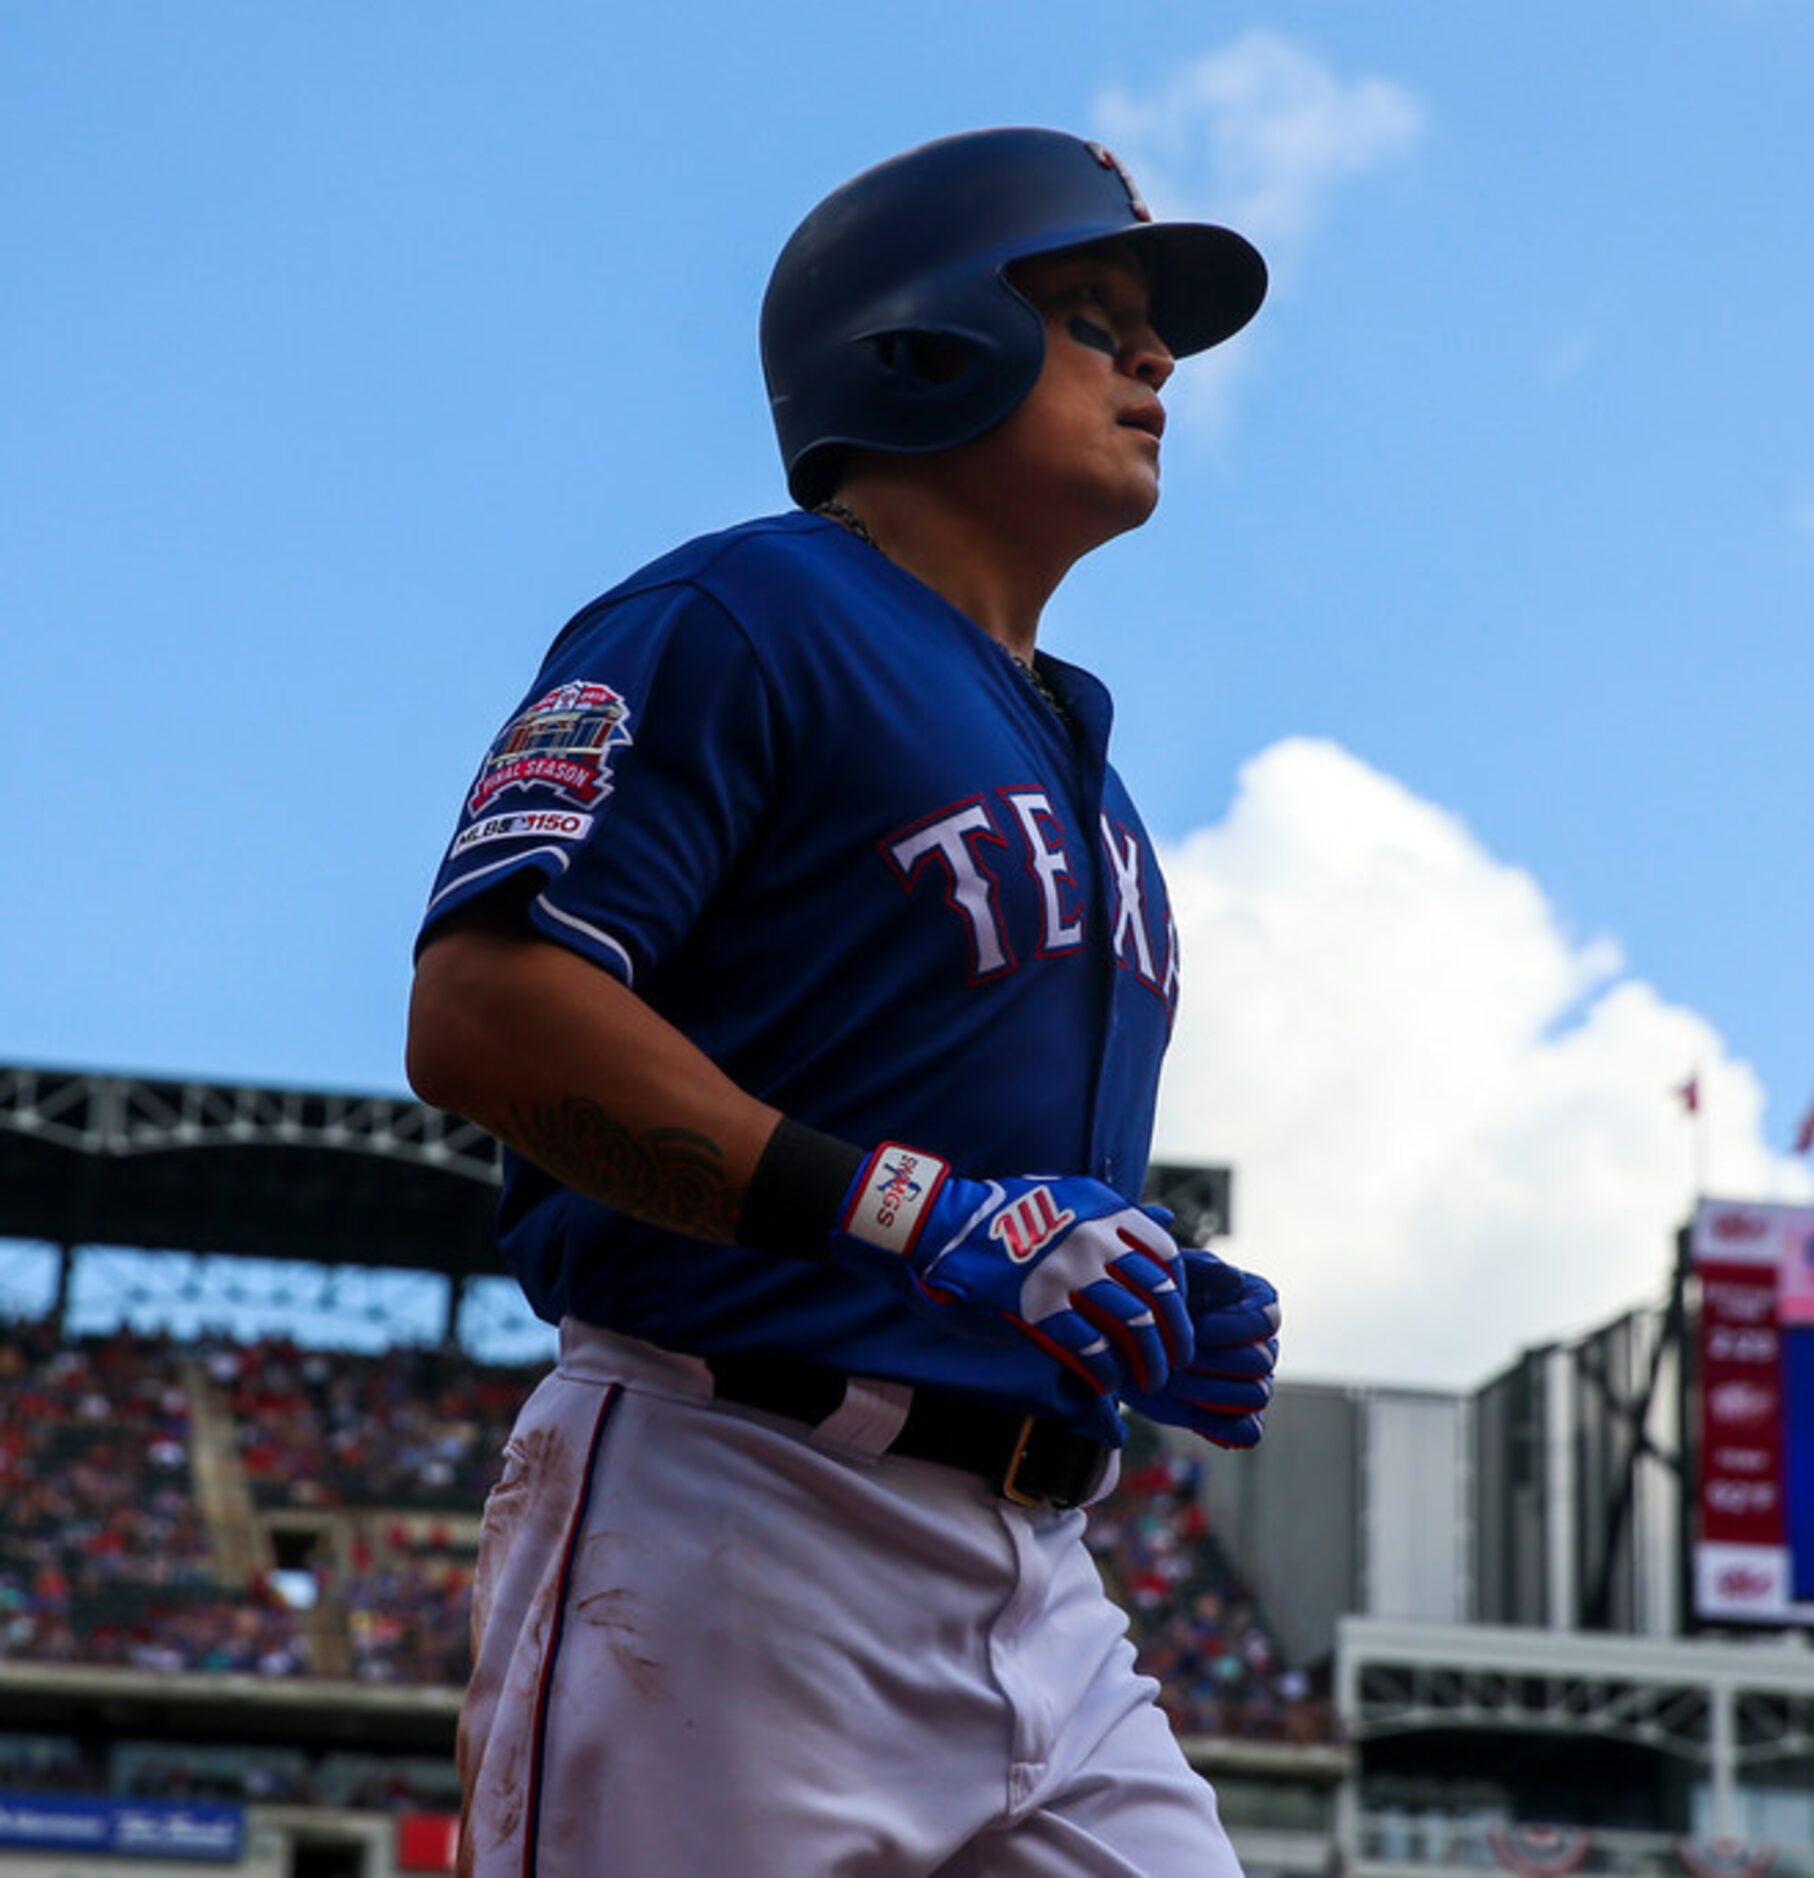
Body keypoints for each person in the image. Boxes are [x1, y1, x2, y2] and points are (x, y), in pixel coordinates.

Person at [404, 127, 1283, 1877]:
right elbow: (486, 1007)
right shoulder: (740, 612)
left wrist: (1134, 1287)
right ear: (924, 334)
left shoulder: (1083, 765)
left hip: (1042, 1566)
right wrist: (919, 1214)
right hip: (735, 1507)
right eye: (1095, 310)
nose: (1156, 357)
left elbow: (977, 1168)